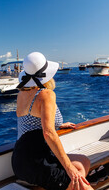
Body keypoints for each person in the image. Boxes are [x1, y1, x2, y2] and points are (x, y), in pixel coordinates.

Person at [11, 52, 93, 190]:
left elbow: (32, 121)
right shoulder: (46, 94)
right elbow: (48, 133)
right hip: (36, 161)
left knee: (83, 162)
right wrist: (69, 169)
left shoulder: (21, 94)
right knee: (78, 179)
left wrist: (58, 124)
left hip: (19, 159)